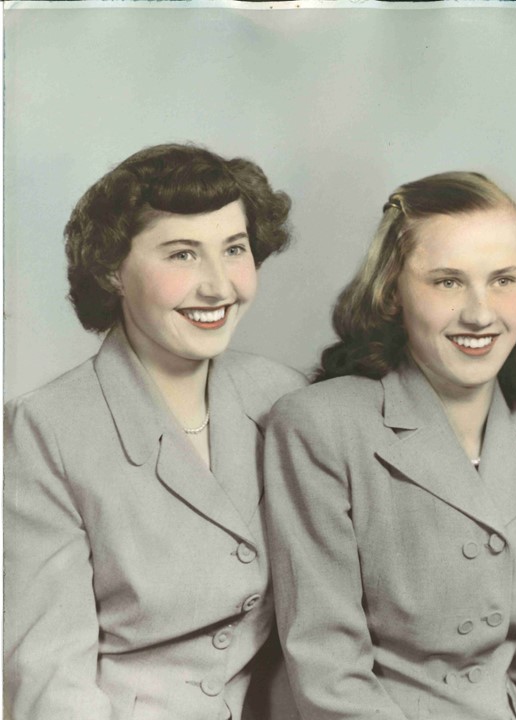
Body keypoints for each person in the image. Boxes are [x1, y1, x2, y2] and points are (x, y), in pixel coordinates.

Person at [263, 171, 516, 719]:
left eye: (504, 280)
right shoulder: (318, 426)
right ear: (392, 290)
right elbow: (328, 668)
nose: (480, 313)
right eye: (447, 281)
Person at [3, 144, 303, 719]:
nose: (218, 287)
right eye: (182, 254)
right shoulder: (43, 431)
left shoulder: (284, 395)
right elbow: (46, 679)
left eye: (234, 249)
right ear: (113, 269)